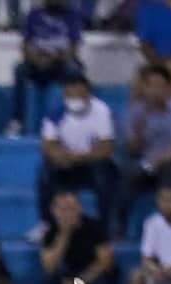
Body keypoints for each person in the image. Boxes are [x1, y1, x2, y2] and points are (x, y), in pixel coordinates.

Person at [35, 71, 117, 233]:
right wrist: (62, 156)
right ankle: (46, 223)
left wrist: (79, 156)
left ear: (88, 92)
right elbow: (48, 147)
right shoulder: (55, 114)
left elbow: (106, 148)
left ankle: (105, 226)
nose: (75, 96)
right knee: (46, 173)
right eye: (70, 92)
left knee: (104, 173)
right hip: (68, 165)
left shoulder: (101, 111)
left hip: (92, 164)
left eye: (79, 91)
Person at [123, 66, 171, 214]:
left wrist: (155, 163)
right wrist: (140, 128)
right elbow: (132, 150)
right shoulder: (134, 112)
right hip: (145, 164)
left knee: (169, 169)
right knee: (126, 177)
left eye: (160, 86)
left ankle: (168, 219)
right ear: (144, 88)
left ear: (168, 89)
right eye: (151, 86)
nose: (155, 91)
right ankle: (118, 228)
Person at [12, 0, 84, 135]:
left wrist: (53, 59)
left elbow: (73, 50)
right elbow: (25, 47)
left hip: (60, 64)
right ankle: (18, 120)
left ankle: (76, 119)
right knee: (19, 70)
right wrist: (37, 60)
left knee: (74, 69)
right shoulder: (33, 15)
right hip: (37, 63)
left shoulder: (72, 16)